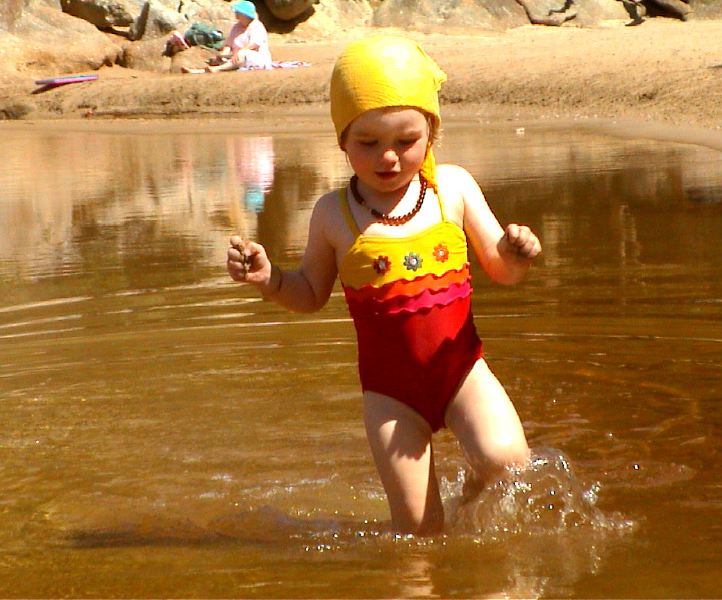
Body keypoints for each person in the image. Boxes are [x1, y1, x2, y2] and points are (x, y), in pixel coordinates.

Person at [226, 36, 542, 536]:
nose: (388, 157)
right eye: (367, 143)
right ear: (342, 140)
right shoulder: (333, 214)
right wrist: (272, 279)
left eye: (406, 140)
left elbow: (501, 270)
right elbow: (309, 293)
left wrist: (514, 253)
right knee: (417, 529)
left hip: (462, 372)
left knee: (508, 462)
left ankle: (469, 507)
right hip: (391, 396)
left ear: (432, 132)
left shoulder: (452, 189)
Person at [182, 0, 271, 74]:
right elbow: (229, 45)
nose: (235, 13)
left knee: (242, 55)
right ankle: (197, 71)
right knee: (221, 59)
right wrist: (223, 55)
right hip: (235, 57)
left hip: (255, 58)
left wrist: (239, 52)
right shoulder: (236, 27)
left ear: (244, 14)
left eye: (237, 12)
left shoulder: (256, 26)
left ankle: (218, 69)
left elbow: (254, 44)